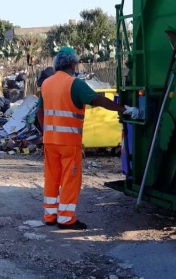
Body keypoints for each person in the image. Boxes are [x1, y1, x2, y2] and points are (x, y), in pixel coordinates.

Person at [36, 46, 140, 230]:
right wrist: (124, 109)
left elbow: (40, 110)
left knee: (52, 177)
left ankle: (50, 215)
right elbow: (97, 100)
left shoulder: (46, 84)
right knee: (70, 178)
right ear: (73, 63)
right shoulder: (74, 83)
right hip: (68, 142)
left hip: (50, 141)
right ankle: (66, 219)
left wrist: (46, 131)